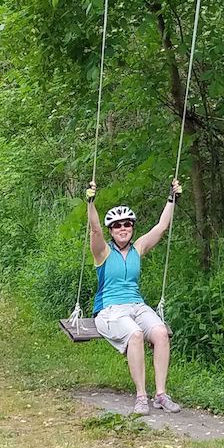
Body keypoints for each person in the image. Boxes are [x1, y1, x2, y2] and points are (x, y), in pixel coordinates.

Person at [85, 178, 183, 415]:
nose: (122, 228)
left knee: (160, 332)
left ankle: (160, 394)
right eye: (117, 225)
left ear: (132, 227)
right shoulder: (103, 252)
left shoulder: (138, 248)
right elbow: (95, 229)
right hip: (110, 309)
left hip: (136, 305)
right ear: (111, 230)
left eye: (127, 224)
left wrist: (172, 199)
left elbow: (161, 227)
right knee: (136, 335)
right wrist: (90, 201)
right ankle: (141, 396)